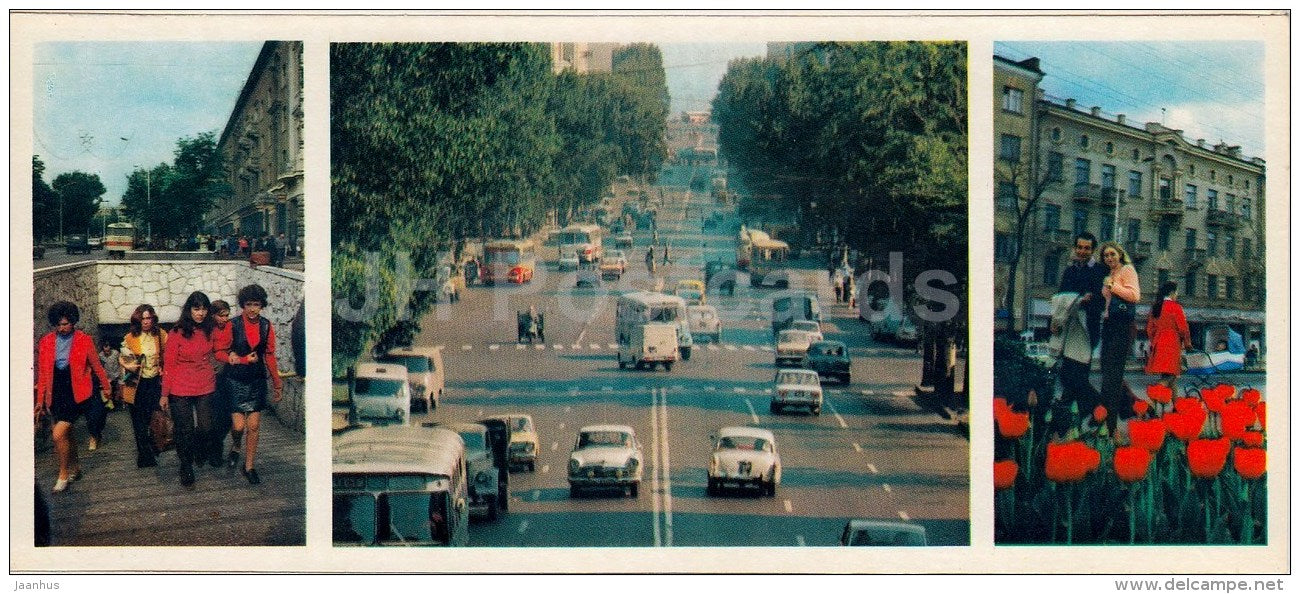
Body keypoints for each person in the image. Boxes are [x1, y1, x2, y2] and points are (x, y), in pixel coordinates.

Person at [35, 301, 111, 492]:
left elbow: (96, 366)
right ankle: (75, 468)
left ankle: (63, 474)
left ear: (73, 322)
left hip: (76, 393)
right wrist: (39, 401)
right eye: (59, 324)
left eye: (66, 324)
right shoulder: (45, 342)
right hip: (56, 392)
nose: (62, 328)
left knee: (58, 433)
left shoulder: (84, 340)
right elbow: (43, 374)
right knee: (67, 434)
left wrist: (107, 386)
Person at [222, 284, 283, 485]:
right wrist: (233, 355)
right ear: (242, 305)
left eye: (256, 304)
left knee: (254, 425)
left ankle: (249, 466)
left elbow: (270, 356)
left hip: (256, 380)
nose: (252, 309)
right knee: (238, 426)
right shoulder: (232, 324)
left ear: (262, 305)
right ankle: (236, 445)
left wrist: (277, 383)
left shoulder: (267, 326)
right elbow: (223, 350)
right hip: (235, 380)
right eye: (248, 304)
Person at [161, 291, 218, 489]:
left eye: (204, 309)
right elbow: (168, 364)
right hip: (180, 387)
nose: (201, 313)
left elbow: (220, 350)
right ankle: (186, 465)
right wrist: (164, 394)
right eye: (196, 309)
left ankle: (199, 450)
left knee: (206, 427)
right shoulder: (177, 332)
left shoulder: (210, 329)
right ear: (189, 310)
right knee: (184, 430)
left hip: (205, 384)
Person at [1098, 241, 1140, 440]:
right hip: (1109, 325)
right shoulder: (1110, 275)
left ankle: (1111, 427)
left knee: (1112, 379)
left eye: (1112, 254)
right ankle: (1130, 409)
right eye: (1106, 256)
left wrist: (1113, 286)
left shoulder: (1127, 270)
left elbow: (1134, 295)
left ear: (1120, 254)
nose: (1109, 258)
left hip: (1123, 326)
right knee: (1107, 374)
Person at [120, 304, 167, 469]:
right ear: (137, 320)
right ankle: (144, 456)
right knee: (138, 422)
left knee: (155, 418)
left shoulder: (161, 335)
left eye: (149, 318)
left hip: (155, 382)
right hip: (136, 384)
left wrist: (164, 367)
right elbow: (122, 356)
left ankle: (155, 446)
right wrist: (129, 365)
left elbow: (167, 354)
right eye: (143, 319)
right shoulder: (130, 337)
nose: (146, 322)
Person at [1144, 281, 1191, 391]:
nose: (1177, 295)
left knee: (1170, 377)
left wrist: (1155, 340)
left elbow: (1150, 329)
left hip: (1159, 344)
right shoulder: (1176, 307)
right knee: (1170, 376)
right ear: (1171, 293)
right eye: (1176, 293)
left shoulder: (1156, 307)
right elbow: (1183, 328)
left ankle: (1176, 406)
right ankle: (1152, 399)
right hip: (1172, 345)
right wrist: (1187, 344)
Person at [204, 300, 234, 468]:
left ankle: (211, 446)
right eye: (221, 315)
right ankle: (214, 452)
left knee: (228, 419)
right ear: (213, 315)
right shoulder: (207, 330)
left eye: (226, 315)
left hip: (228, 376)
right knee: (215, 418)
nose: (224, 318)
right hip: (212, 378)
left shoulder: (231, 327)